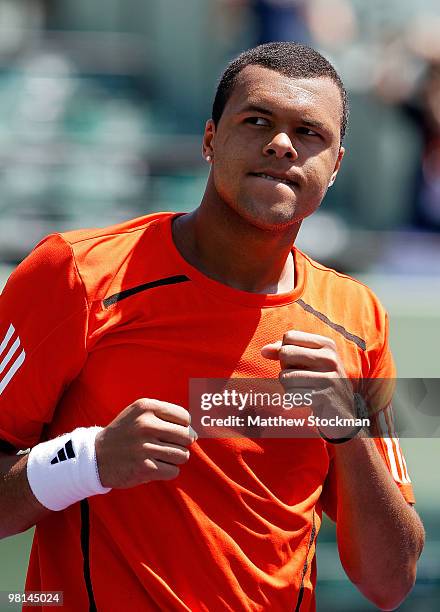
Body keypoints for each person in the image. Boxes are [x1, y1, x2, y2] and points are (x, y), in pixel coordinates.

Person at [0, 42, 424, 611]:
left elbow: (390, 581)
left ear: (337, 164)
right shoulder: (76, 274)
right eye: (256, 121)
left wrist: (347, 429)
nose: (282, 144)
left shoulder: (357, 318)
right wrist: (88, 460)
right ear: (208, 140)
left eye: (309, 132)